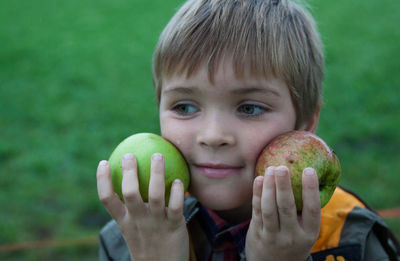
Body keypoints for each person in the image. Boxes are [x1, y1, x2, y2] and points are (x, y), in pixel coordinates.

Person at [96, 0, 400, 260]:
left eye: (249, 108)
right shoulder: (132, 236)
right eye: (185, 107)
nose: (213, 135)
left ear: (305, 124)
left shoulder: (351, 241)